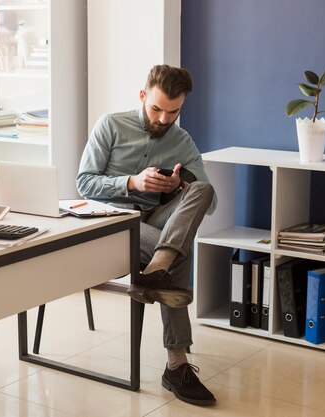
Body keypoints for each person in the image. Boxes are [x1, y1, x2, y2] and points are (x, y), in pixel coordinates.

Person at [76, 64, 217, 406]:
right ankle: (176, 365)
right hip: (111, 220)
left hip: (157, 222)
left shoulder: (182, 140)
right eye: (156, 109)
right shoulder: (111, 124)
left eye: (173, 112)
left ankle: (158, 266)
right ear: (143, 96)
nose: (164, 119)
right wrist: (131, 182)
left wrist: (178, 185)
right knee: (180, 251)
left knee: (202, 188)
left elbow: (207, 205)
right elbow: (83, 182)